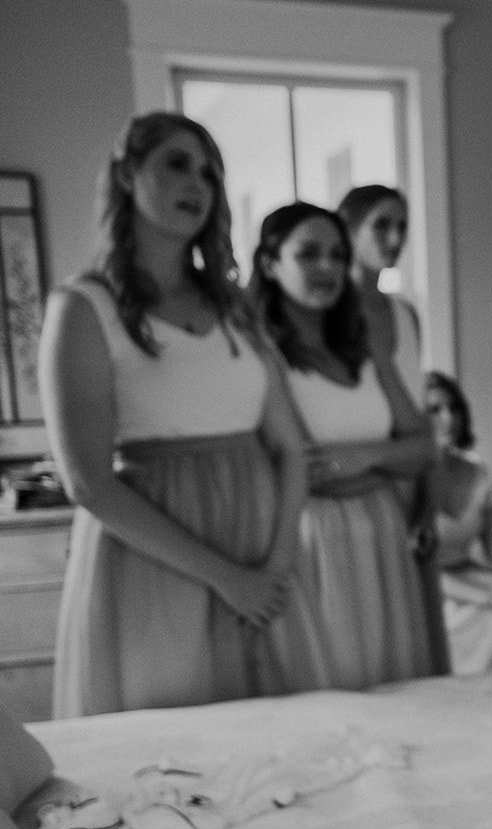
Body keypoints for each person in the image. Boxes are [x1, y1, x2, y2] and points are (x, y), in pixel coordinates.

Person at [38, 112, 329, 717]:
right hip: (157, 561)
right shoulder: (83, 307)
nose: (197, 182)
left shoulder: (237, 308)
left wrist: (273, 566)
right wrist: (227, 578)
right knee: (176, 750)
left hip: (261, 551)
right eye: (176, 163)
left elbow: (289, 446)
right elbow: (88, 482)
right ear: (126, 174)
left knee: (281, 744)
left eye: (209, 172)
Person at [250, 201, 445, 689]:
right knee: (330, 695)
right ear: (271, 264)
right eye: (308, 255)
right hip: (310, 539)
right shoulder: (260, 351)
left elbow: (426, 446)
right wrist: (391, 468)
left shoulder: (361, 344)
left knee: (397, 687)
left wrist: (368, 458)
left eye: (337, 256)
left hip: (383, 535)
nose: (328, 268)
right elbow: (311, 472)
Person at [425, 371, 492, 674]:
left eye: (454, 408)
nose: (449, 418)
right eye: (435, 410)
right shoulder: (405, 481)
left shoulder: (478, 473)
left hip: (471, 573)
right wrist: (484, 596)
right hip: (434, 589)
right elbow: (415, 567)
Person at [337, 184, 425, 403]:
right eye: (381, 225)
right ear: (349, 229)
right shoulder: (330, 313)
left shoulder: (406, 314)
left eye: (402, 227)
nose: (396, 239)